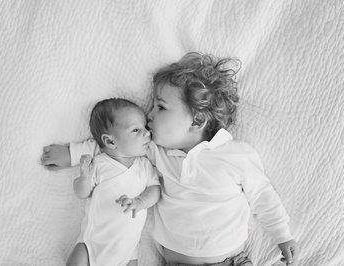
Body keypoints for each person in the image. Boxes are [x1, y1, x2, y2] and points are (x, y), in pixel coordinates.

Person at [42, 52, 297, 266]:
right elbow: (117, 145)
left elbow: (263, 195)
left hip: (229, 260)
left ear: (197, 120)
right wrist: (72, 154)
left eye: (160, 107)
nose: (148, 115)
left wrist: (282, 234)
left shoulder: (235, 154)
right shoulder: (155, 151)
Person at [62, 98, 161, 266]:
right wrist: (85, 178)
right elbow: (81, 193)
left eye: (145, 127)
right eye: (136, 130)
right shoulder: (99, 164)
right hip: (93, 244)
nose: (147, 133)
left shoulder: (144, 166)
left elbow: (155, 190)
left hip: (128, 252)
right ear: (110, 141)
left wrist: (139, 202)